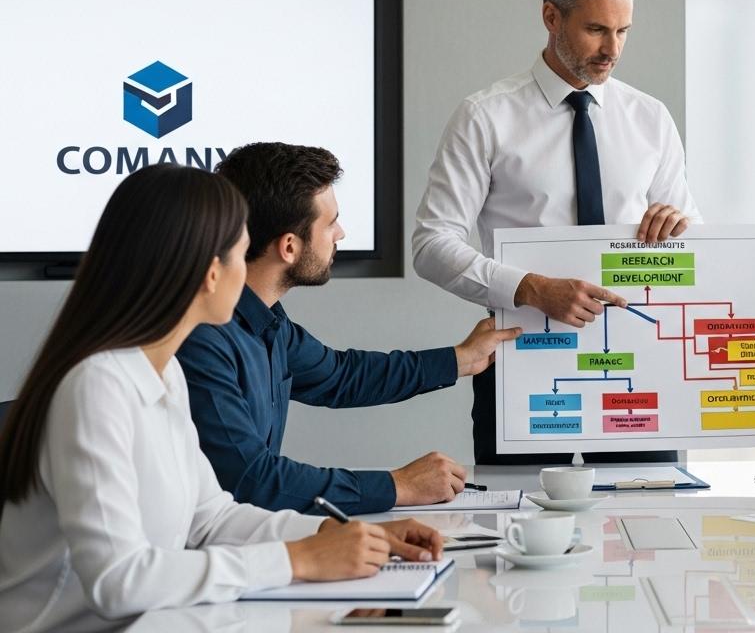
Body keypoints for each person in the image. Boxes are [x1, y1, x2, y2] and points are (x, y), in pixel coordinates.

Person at [0, 165, 442, 633]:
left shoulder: (163, 372)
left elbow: (211, 519)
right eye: (240, 254)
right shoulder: (98, 386)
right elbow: (118, 581)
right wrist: (297, 559)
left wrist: (344, 535)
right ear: (213, 274)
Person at [412, 0, 700, 464]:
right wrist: (531, 288)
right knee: (519, 511)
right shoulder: (485, 117)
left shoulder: (651, 119)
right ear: (551, 17)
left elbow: (692, 239)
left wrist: (682, 226)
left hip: (638, 367)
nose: (612, 49)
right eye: (596, 30)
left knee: (646, 510)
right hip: (523, 360)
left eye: (623, 31)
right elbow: (432, 245)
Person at [178, 143, 521, 516]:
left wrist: (461, 359)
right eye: (330, 223)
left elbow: (340, 375)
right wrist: (398, 486)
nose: (340, 233)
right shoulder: (202, 337)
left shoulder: (269, 321)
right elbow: (251, 480)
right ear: (289, 247)